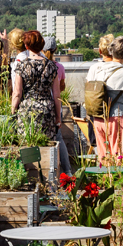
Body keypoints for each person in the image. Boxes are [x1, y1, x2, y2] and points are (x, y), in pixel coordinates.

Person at [86, 36, 123, 165]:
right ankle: (119, 183)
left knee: (103, 156)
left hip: (98, 117)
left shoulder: (95, 68)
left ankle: (105, 181)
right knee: (121, 156)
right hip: (118, 116)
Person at [12, 30, 61, 141]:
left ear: (26, 46)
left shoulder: (22, 65)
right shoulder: (51, 66)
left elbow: (17, 93)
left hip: (27, 109)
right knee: (47, 147)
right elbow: (57, 95)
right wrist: (58, 117)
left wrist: (12, 112)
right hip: (47, 110)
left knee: (27, 147)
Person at [43, 36, 72, 175]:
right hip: (56, 106)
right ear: (55, 50)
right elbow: (61, 88)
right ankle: (67, 171)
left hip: (41, 105)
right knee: (58, 139)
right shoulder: (59, 67)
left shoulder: (42, 65)